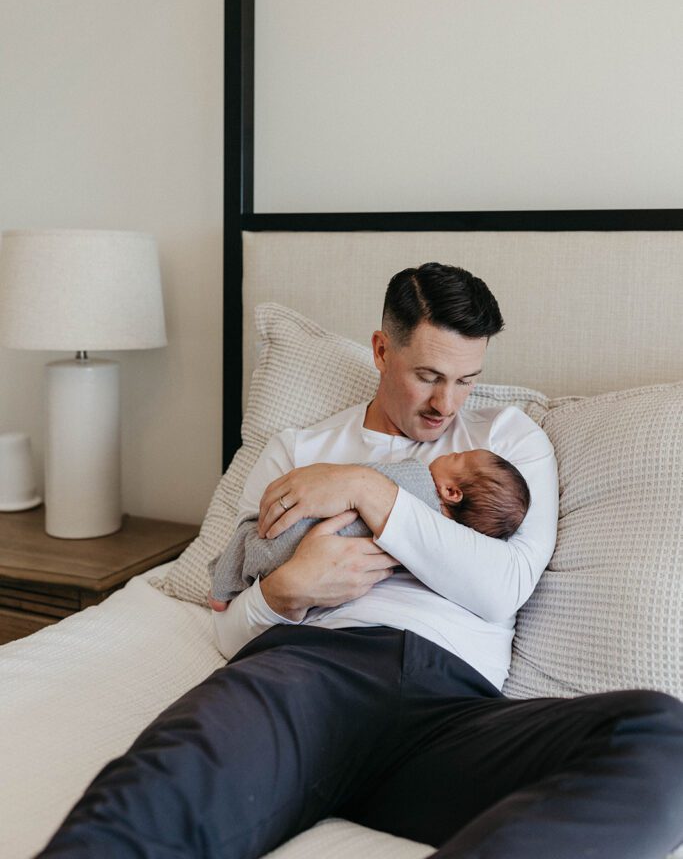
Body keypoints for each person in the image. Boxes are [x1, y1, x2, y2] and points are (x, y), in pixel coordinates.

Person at [38, 263, 683, 859]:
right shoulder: (299, 450)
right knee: (154, 789)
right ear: (381, 350)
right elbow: (229, 628)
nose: (447, 404)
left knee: (661, 735)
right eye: (429, 376)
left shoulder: (506, 442)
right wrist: (283, 591)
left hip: (453, 712)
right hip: (308, 679)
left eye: (466, 381)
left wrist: (367, 489)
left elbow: (503, 589)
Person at [208, 449, 531, 606]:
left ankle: (221, 588)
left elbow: (366, 473)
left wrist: (357, 481)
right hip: (301, 578)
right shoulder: (436, 544)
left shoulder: (414, 478)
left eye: (457, 456)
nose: (448, 452)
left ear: (451, 491)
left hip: (287, 542)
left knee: (248, 541)